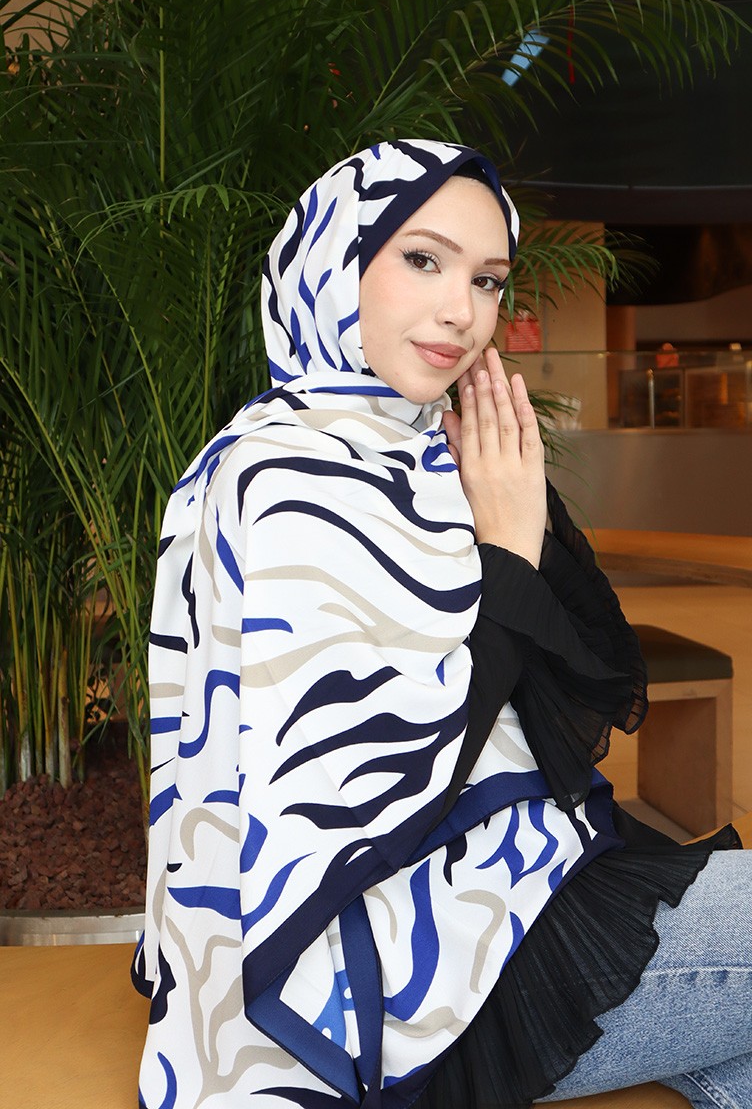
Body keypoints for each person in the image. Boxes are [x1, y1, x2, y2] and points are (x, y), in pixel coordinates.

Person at [132, 139, 751, 1109]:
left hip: (498, 890)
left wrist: (516, 518)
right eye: (423, 259)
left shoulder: (407, 451)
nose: (462, 310)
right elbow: (376, 781)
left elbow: (586, 672)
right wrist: (501, 552)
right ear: (333, 264)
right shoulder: (288, 473)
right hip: (398, 970)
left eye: (487, 279)